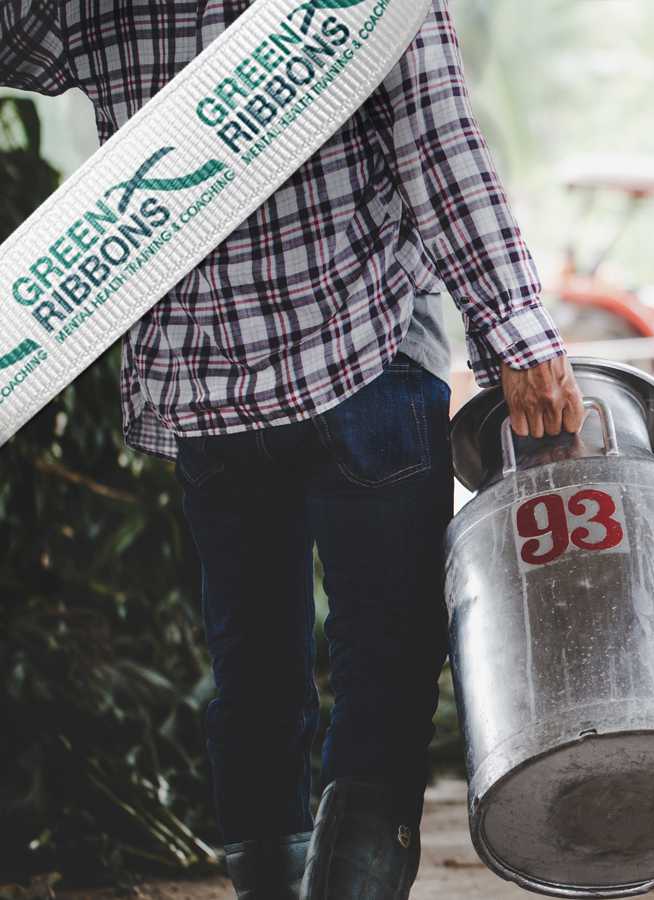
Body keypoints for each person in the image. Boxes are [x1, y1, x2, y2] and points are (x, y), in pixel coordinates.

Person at [0, 1, 584, 896]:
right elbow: (441, 150)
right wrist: (518, 334)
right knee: (385, 661)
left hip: (204, 385)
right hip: (363, 358)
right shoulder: (363, 6)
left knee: (255, 671)